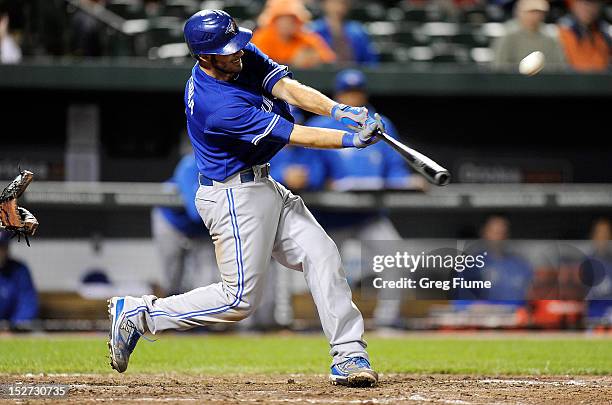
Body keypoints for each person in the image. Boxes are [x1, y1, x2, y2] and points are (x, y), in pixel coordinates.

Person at [108, 10, 385, 387]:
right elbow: (294, 134)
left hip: (263, 185)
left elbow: (288, 88)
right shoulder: (218, 106)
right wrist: (350, 139)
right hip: (233, 196)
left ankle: (349, 353)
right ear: (204, 57)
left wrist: (339, 111)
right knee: (238, 301)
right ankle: (139, 315)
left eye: (237, 44)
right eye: (228, 50)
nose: (239, 52)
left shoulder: (236, 57)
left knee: (322, 254)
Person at [304, 69, 423, 328]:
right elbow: (310, 169)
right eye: (348, 93)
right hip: (332, 217)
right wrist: (321, 179)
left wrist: (405, 181)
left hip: (370, 214)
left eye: (357, 92)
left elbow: (393, 165)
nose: (353, 97)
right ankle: (327, 323)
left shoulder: (381, 124)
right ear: (337, 95)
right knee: (323, 269)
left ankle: (387, 321)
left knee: (397, 258)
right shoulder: (319, 125)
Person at [151, 152, 217, 296]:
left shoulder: (234, 166)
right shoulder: (190, 165)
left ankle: (201, 316)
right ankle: (168, 315)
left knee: (207, 279)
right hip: (170, 222)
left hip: (202, 229)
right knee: (172, 280)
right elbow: (196, 213)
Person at [251, 0, 335, 68]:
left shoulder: (306, 37)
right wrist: (291, 62)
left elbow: (329, 60)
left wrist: (314, 59)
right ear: (274, 21)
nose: (287, 24)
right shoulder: (261, 38)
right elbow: (256, 65)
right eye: (282, 20)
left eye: (291, 20)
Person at [492, 0, 567, 71]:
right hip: (514, 82)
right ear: (519, 12)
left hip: (544, 82)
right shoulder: (508, 35)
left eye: (539, 12)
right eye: (531, 12)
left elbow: (560, 67)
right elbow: (499, 66)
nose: (535, 16)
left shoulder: (551, 37)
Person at [309, 0, 379, 65]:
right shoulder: (314, 30)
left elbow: (370, 62)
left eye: (343, 3)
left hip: (354, 74)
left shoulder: (357, 30)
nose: (338, 7)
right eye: (334, 2)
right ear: (325, 4)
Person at [557, 0, 611, 72]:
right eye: (584, 4)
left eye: (594, 4)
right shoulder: (562, 29)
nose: (589, 8)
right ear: (574, 5)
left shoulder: (605, 31)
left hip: (600, 78)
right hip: (572, 78)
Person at [0, 231, 38, 326]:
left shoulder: (19, 270)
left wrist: (14, 327)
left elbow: (28, 304)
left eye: (1, 247)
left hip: (12, 331)